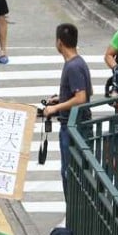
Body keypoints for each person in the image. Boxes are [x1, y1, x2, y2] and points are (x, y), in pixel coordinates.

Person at [42, 23, 93, 200]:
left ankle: (73, 209)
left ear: (59, 42)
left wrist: (55, 108)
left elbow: (81, 97)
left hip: (74, 127)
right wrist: (61, 99)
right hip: (75, 124)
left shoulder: (73, 66)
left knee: (70, 172)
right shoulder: (77, 63)